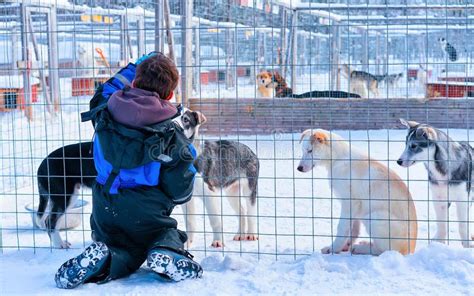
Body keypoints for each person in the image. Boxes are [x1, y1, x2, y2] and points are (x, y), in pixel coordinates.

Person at [55, 53, 202, 289]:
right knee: (164, 234)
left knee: (120, 246)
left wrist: (135, 66)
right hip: (147, 214)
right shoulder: (172, 137)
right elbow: (180, 193)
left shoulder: (103, 112)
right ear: (170, 95)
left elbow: (106, 89)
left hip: (104, 209)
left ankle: (106, 255)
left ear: (133, 83)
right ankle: (165, 250)